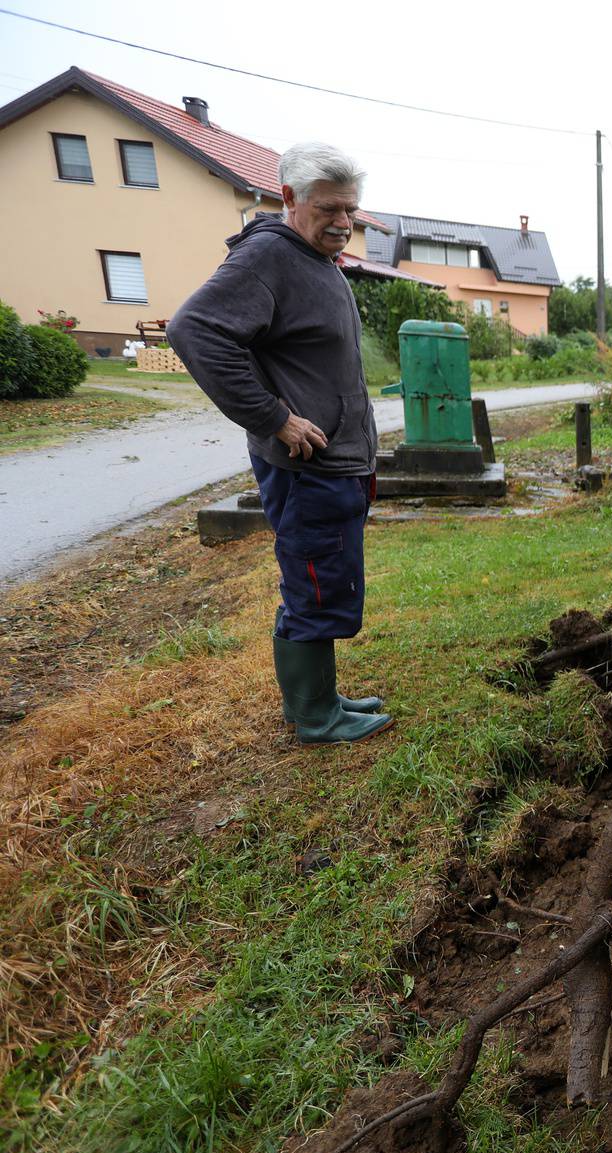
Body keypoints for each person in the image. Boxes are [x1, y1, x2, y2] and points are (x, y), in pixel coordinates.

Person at [170, 142, 392, 744]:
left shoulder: (311, 258)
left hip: (335, 462)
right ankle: (315, 717)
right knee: (314, 583)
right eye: (329, 209)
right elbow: (195, 330)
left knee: (321, 578)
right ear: (289, 198)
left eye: (352, 211)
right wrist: (275, 418)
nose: (343, 223)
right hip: (307, 467)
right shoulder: (269, 257)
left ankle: (319, 698)